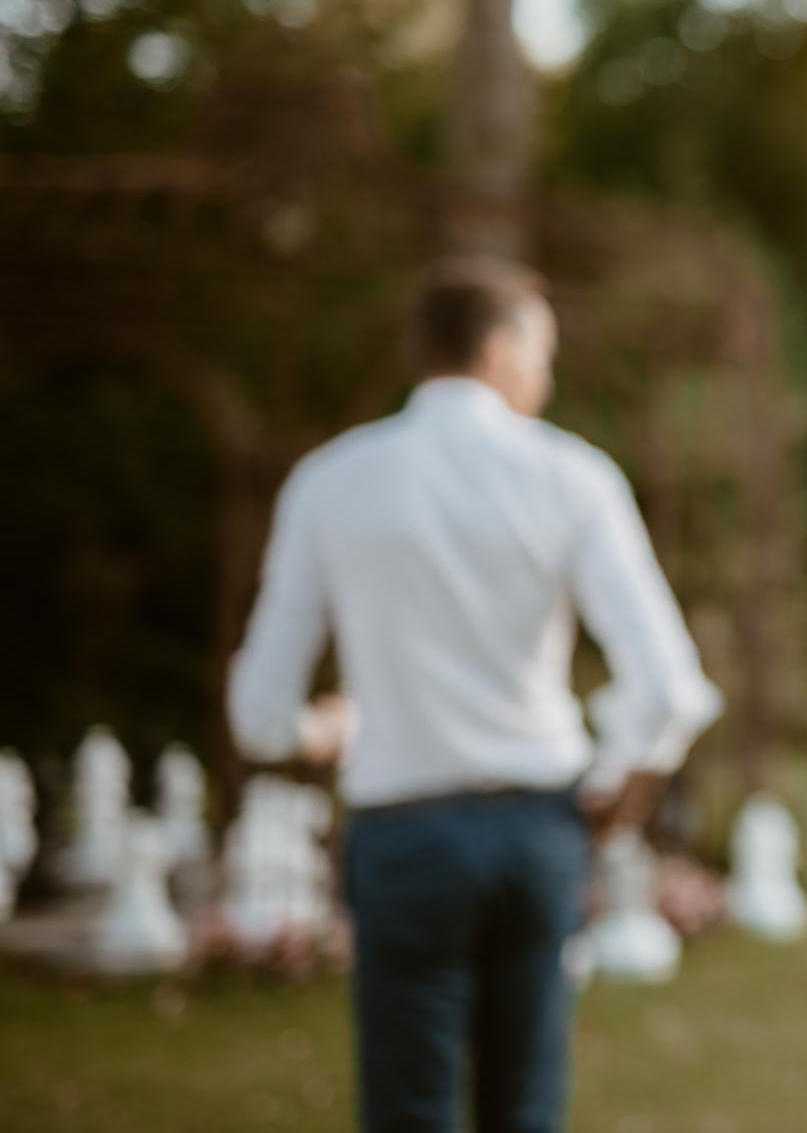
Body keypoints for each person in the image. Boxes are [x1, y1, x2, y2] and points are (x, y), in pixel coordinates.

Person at [229, 256, 722, 1133]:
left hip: (404, 837)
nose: (548, 377)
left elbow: (261, 717)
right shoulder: (573, 477)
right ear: (499, 350)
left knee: (410, 1111)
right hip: (537, 830)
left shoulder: (331, 481)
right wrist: (616, 788)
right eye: (543, 354)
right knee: (524, 1105)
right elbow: (670, 686)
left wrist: (328, 727)